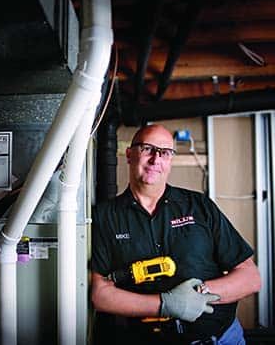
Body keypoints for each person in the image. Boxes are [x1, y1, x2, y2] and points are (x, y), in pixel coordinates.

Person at [91, 124, 261, 345]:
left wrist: (199, 292)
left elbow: (250, 277)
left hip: (223, 338)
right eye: (147, 149)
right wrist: (165, 304)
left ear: (170, 161)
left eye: (164, 152)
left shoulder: (199, 206)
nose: (155, 159)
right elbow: (100, 294)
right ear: (130, 155)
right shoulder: (105, 217)